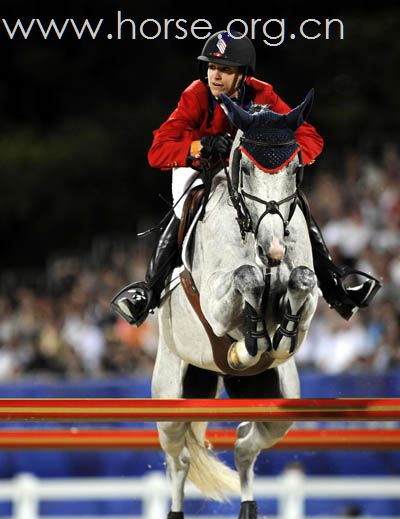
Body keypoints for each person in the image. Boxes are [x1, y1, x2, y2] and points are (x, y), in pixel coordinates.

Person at [111, 30, 380, 327]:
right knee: (187, 205)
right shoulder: (195, 96)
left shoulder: (263, 94)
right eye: (212, 67)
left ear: (243, 75)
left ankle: (334, 287)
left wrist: (285, 156)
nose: (215, 76)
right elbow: (157, 151)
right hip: (203, 168)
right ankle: (148, 292)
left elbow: (309, 137)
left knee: (296, 203)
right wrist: (200, 146)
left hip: (249, 172)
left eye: (225, 70)